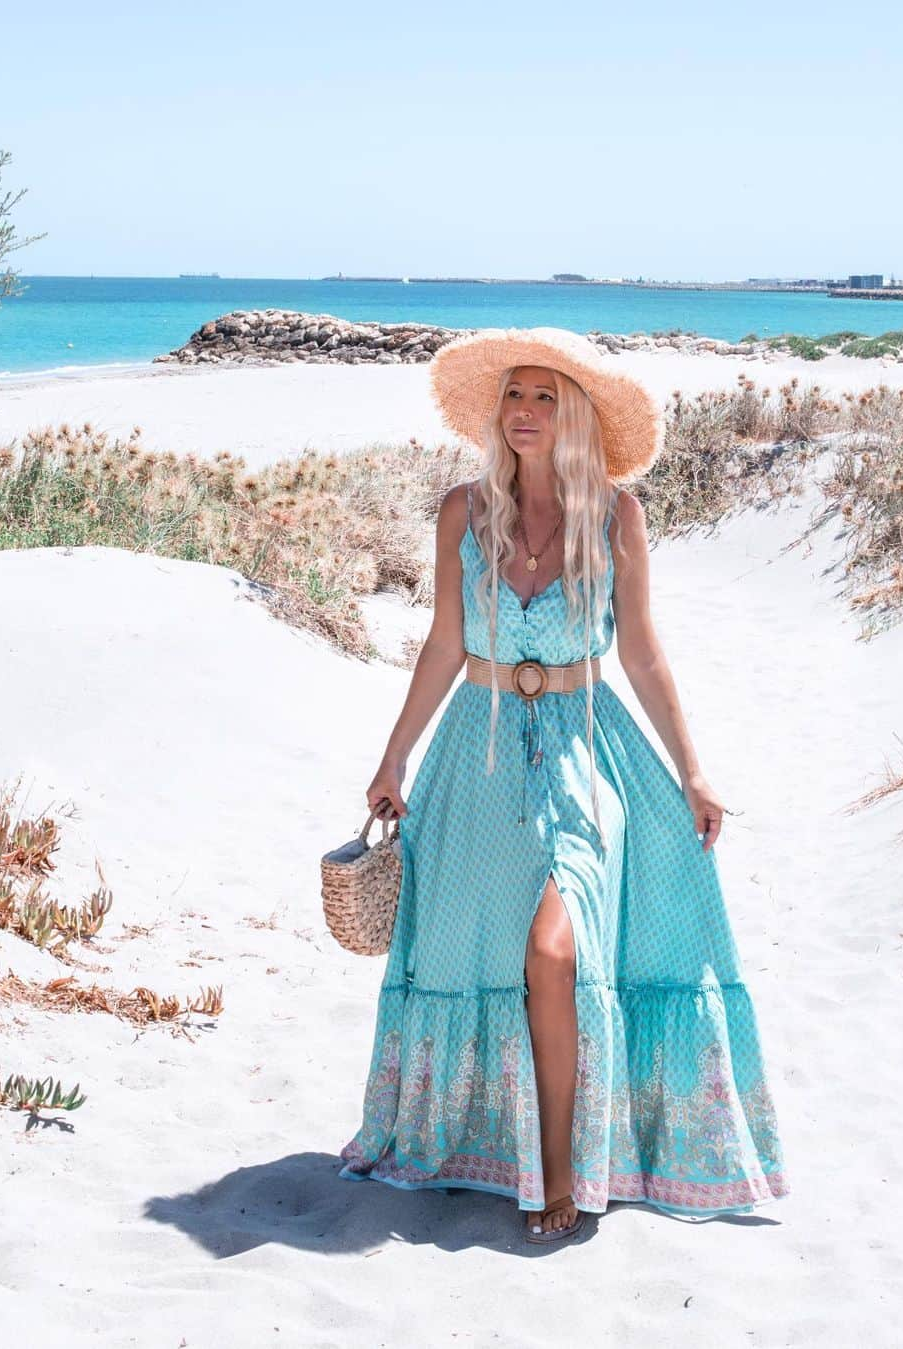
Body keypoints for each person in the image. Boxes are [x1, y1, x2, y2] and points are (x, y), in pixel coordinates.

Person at [337, 327, 789, 1243]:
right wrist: (393, 757)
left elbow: (642, 650)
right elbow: (442, 645)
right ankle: (507, 1151)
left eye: (547, 396)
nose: (527, 412)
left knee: (554, 945)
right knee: (484, 953)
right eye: (516, 395)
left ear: (576, 412)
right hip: (480, 749)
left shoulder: (617, 516)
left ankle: (557, 1169)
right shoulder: (463, 512)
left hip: (588, 750)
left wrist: (694, 769)